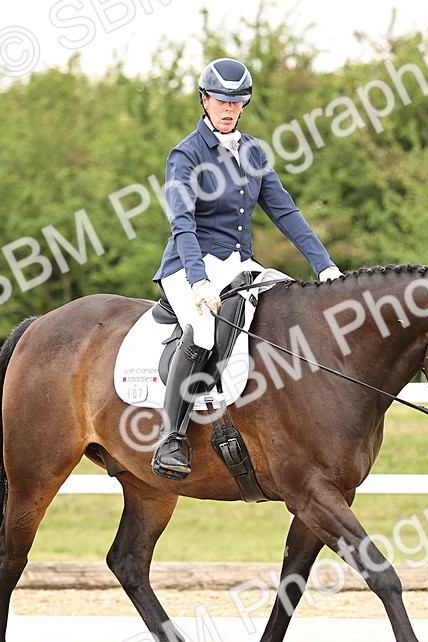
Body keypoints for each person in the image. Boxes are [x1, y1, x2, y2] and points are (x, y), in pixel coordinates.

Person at [150, 56, 341, 480]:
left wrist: (324, 265)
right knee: (200, 330)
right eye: (220, 101)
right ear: (204, 101)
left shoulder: (252, 151)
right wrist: (198, 280)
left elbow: (285, 211)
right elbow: (181, 222)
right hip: (188, 266)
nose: (228, 109)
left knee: (291, 307)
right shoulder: (186, 154)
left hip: (238, 265)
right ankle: (172, 438)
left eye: (237, 102)